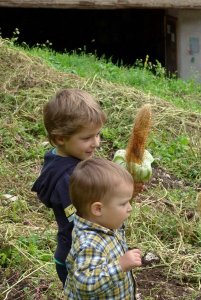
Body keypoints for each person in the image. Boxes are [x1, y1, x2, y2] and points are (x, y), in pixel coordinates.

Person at [31, 89, 106, 286]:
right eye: (87, 138)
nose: (96, 143)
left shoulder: (60, 158)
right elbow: (83, 221)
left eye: (98, 134)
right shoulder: (68, 180)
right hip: (77, 259)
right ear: (59, 139)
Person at [64, 158, 141, 299]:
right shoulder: (88, 244)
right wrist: (120, 266)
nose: (130, 208)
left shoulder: (105, 223)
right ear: (98, 209)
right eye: (124, 203)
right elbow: (85, 285)